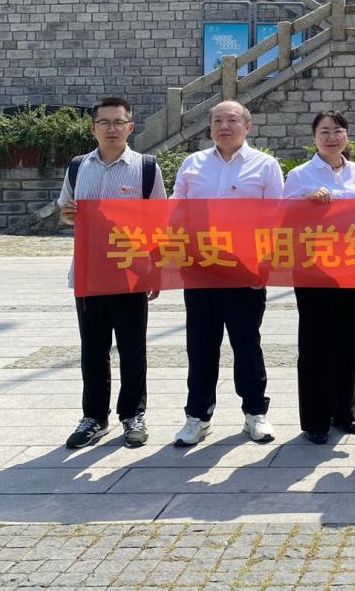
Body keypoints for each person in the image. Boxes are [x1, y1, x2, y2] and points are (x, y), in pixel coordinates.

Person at [172, 100, 284, 447]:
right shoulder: (193, 164)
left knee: (246, 343)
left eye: (232, 120)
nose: (224, 126)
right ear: (210, 128)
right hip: (200, 267)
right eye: (217, 120)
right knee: (200, 345)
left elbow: (276, 218)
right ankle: (198, 416)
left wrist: (265, 265)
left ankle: (255, 412)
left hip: (245, 270)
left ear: (247, 126)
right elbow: (175, 211)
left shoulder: (265, 165)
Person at [57, 96, 167, 449]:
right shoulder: (78, 166)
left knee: (133, 349)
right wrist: (68, 214)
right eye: (104, 122)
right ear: (93, 128)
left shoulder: (146, 168)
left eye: (119, 122)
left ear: (130, 127)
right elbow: (65, 211)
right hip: (89, 275)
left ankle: (133, 415)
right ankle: (94, 417)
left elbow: (160, 223)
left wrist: (156, 271)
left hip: (130, 274)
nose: (112, 129)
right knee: (93, 349)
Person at [285, 111, 355, 444]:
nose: (332, 137)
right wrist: (305, 201)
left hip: (350, 267)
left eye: (337, 131)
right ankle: (315, 419)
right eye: (324, 132)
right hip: (313, 270)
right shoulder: (299, 175)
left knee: (346, 342)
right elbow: (280, 218)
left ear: (346, 136)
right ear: (314, 138)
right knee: (315, 344)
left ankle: (344, 412)